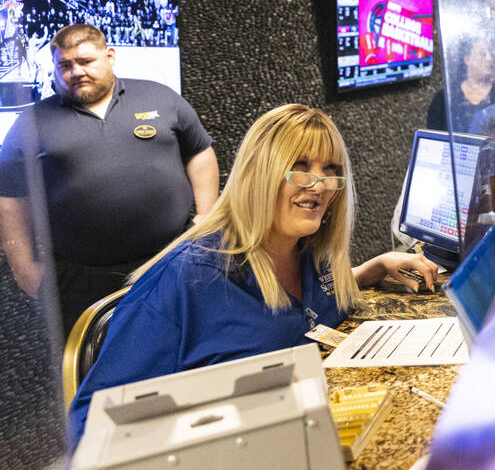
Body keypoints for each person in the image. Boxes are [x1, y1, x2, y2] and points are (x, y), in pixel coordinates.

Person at [66, 104, 438, 443]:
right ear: (260, 173)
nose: (320, 185)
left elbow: (301, 307)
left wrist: (370, 270)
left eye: (331, 171)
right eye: (301, 166)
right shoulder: (185, 280)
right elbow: (91, 427)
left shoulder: (310, 250)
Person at [0, 23, 219, 335]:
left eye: (85, 61)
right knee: (98, 369)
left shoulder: (160, 97)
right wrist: (23, 267)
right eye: (65, 65)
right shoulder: (31, 122)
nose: (75, 72)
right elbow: (9, 197)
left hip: (172, 261)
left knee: (185, 351)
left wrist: (206, 214)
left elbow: (199, 152)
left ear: (110, 56)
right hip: (81, 281)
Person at [426, 36, 495, 133]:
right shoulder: (443, 99)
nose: (490, 59)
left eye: (491, 54)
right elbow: (434, 140)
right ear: (468, 59)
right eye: (483, 54)